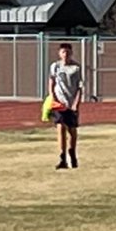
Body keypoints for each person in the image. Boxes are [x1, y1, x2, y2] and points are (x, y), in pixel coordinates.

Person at [49, 42, 83, 170]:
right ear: (59, 53)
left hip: (71, 103)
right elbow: (51, 83)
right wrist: (53, 98)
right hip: (59, 103)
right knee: (60, 128)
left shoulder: (76, 68)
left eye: (68, 52)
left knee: (72, 131)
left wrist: (76, 103)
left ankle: (72, 154)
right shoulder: (55, 66)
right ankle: (62, 158)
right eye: (63, 52)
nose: (65, 54)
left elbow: (80, 88)